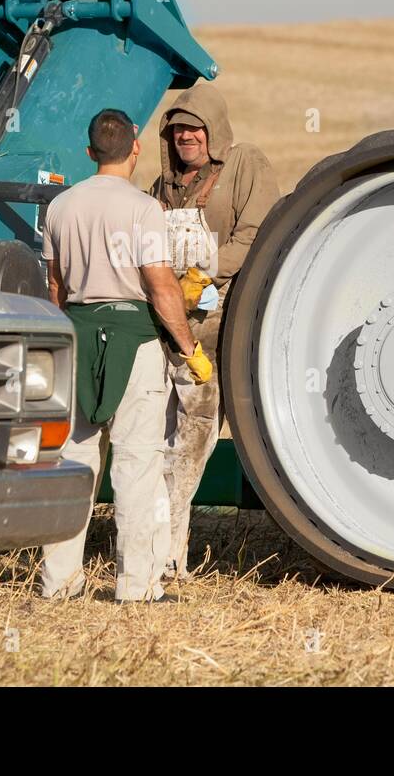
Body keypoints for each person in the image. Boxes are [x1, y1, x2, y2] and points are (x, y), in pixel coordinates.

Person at [40, 109, 214, 602]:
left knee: (74, 461)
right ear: (135, 148)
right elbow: (160, 286)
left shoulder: (60, 206)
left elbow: (54, 287)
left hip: (74, 334)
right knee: (136, 465)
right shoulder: (143, 209)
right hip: (134, 340)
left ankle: (59, 583)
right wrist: (187, 346)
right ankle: (137, 587)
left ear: (90, 151)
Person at [150, 81, 279, 579]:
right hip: (167, 321)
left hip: (221, 318)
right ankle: (158, 550)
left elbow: (254, 232)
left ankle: (169, 552)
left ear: (214, 131)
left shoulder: (245, 163)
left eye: (194, 127)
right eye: (177, 127)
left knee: (197, 434)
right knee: (160, 436)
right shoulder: (162, 186)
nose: (185, 136)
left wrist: (205, 274)